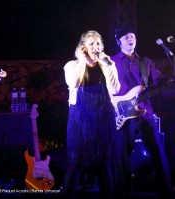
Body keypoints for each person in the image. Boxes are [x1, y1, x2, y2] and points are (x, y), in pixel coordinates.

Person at [110, 26, 174, 199]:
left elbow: (159, 78)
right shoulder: (111, 62)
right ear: (118, 41)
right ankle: (123, 191)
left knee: (158, 152)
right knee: (122, 156)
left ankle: (166, 190)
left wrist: (169, 80)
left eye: (132, 36)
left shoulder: (145, 61)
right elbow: (106, 89)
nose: (130, 39)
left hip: (145, 112)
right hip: (123, 114)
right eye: (126, 37)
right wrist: (114, 103)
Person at [63, 30, 121, 199]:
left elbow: (115, 89)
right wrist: (82, 61)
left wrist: (108, 65)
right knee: (75, 163)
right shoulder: (72, 65)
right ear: (83, 47)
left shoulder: (108, 63)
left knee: (105, 163)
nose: (95, 47)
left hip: (104, 118)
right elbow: (73, 83)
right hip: (80, 120)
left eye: (98, 44)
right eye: (91, 44)